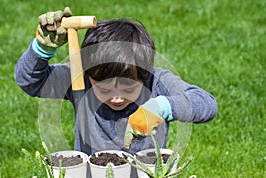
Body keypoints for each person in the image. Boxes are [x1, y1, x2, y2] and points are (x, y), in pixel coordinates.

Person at [15, 7, 218, 162]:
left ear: (144, 74)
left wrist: (162, 107)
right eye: (104, 89)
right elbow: (30, 81)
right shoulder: (79, 78)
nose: (118, 97)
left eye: (129, 88)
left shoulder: (155, 81)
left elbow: (206, 104)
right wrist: (42, 49)